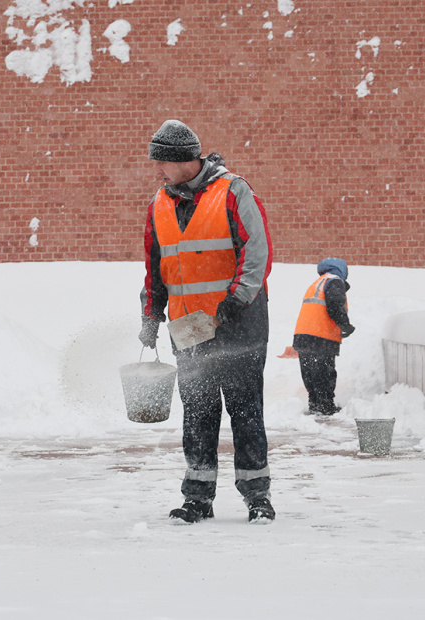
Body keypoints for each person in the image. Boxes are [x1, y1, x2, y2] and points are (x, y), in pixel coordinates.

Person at [139, 120, 275, 524]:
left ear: (186, 160)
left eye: (162, 162)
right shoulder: (159, 205)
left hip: (238, 324)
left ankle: (257, 497)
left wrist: (236, 300)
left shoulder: (233, 191)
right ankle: (197, 498)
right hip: (189, 330)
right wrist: (150, 315)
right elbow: (154, 269)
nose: (158, 170)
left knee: (245, 410)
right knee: (197, 413)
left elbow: (258, 252)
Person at [292, 258, 355, 416]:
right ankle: (326, 406)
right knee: (324, 373)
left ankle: (315, 404)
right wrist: (344, 324)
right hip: (321, 336)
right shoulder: (334, 281)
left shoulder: (317, 283)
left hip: (303, 336)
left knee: (310, 373)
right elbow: (335, 303)